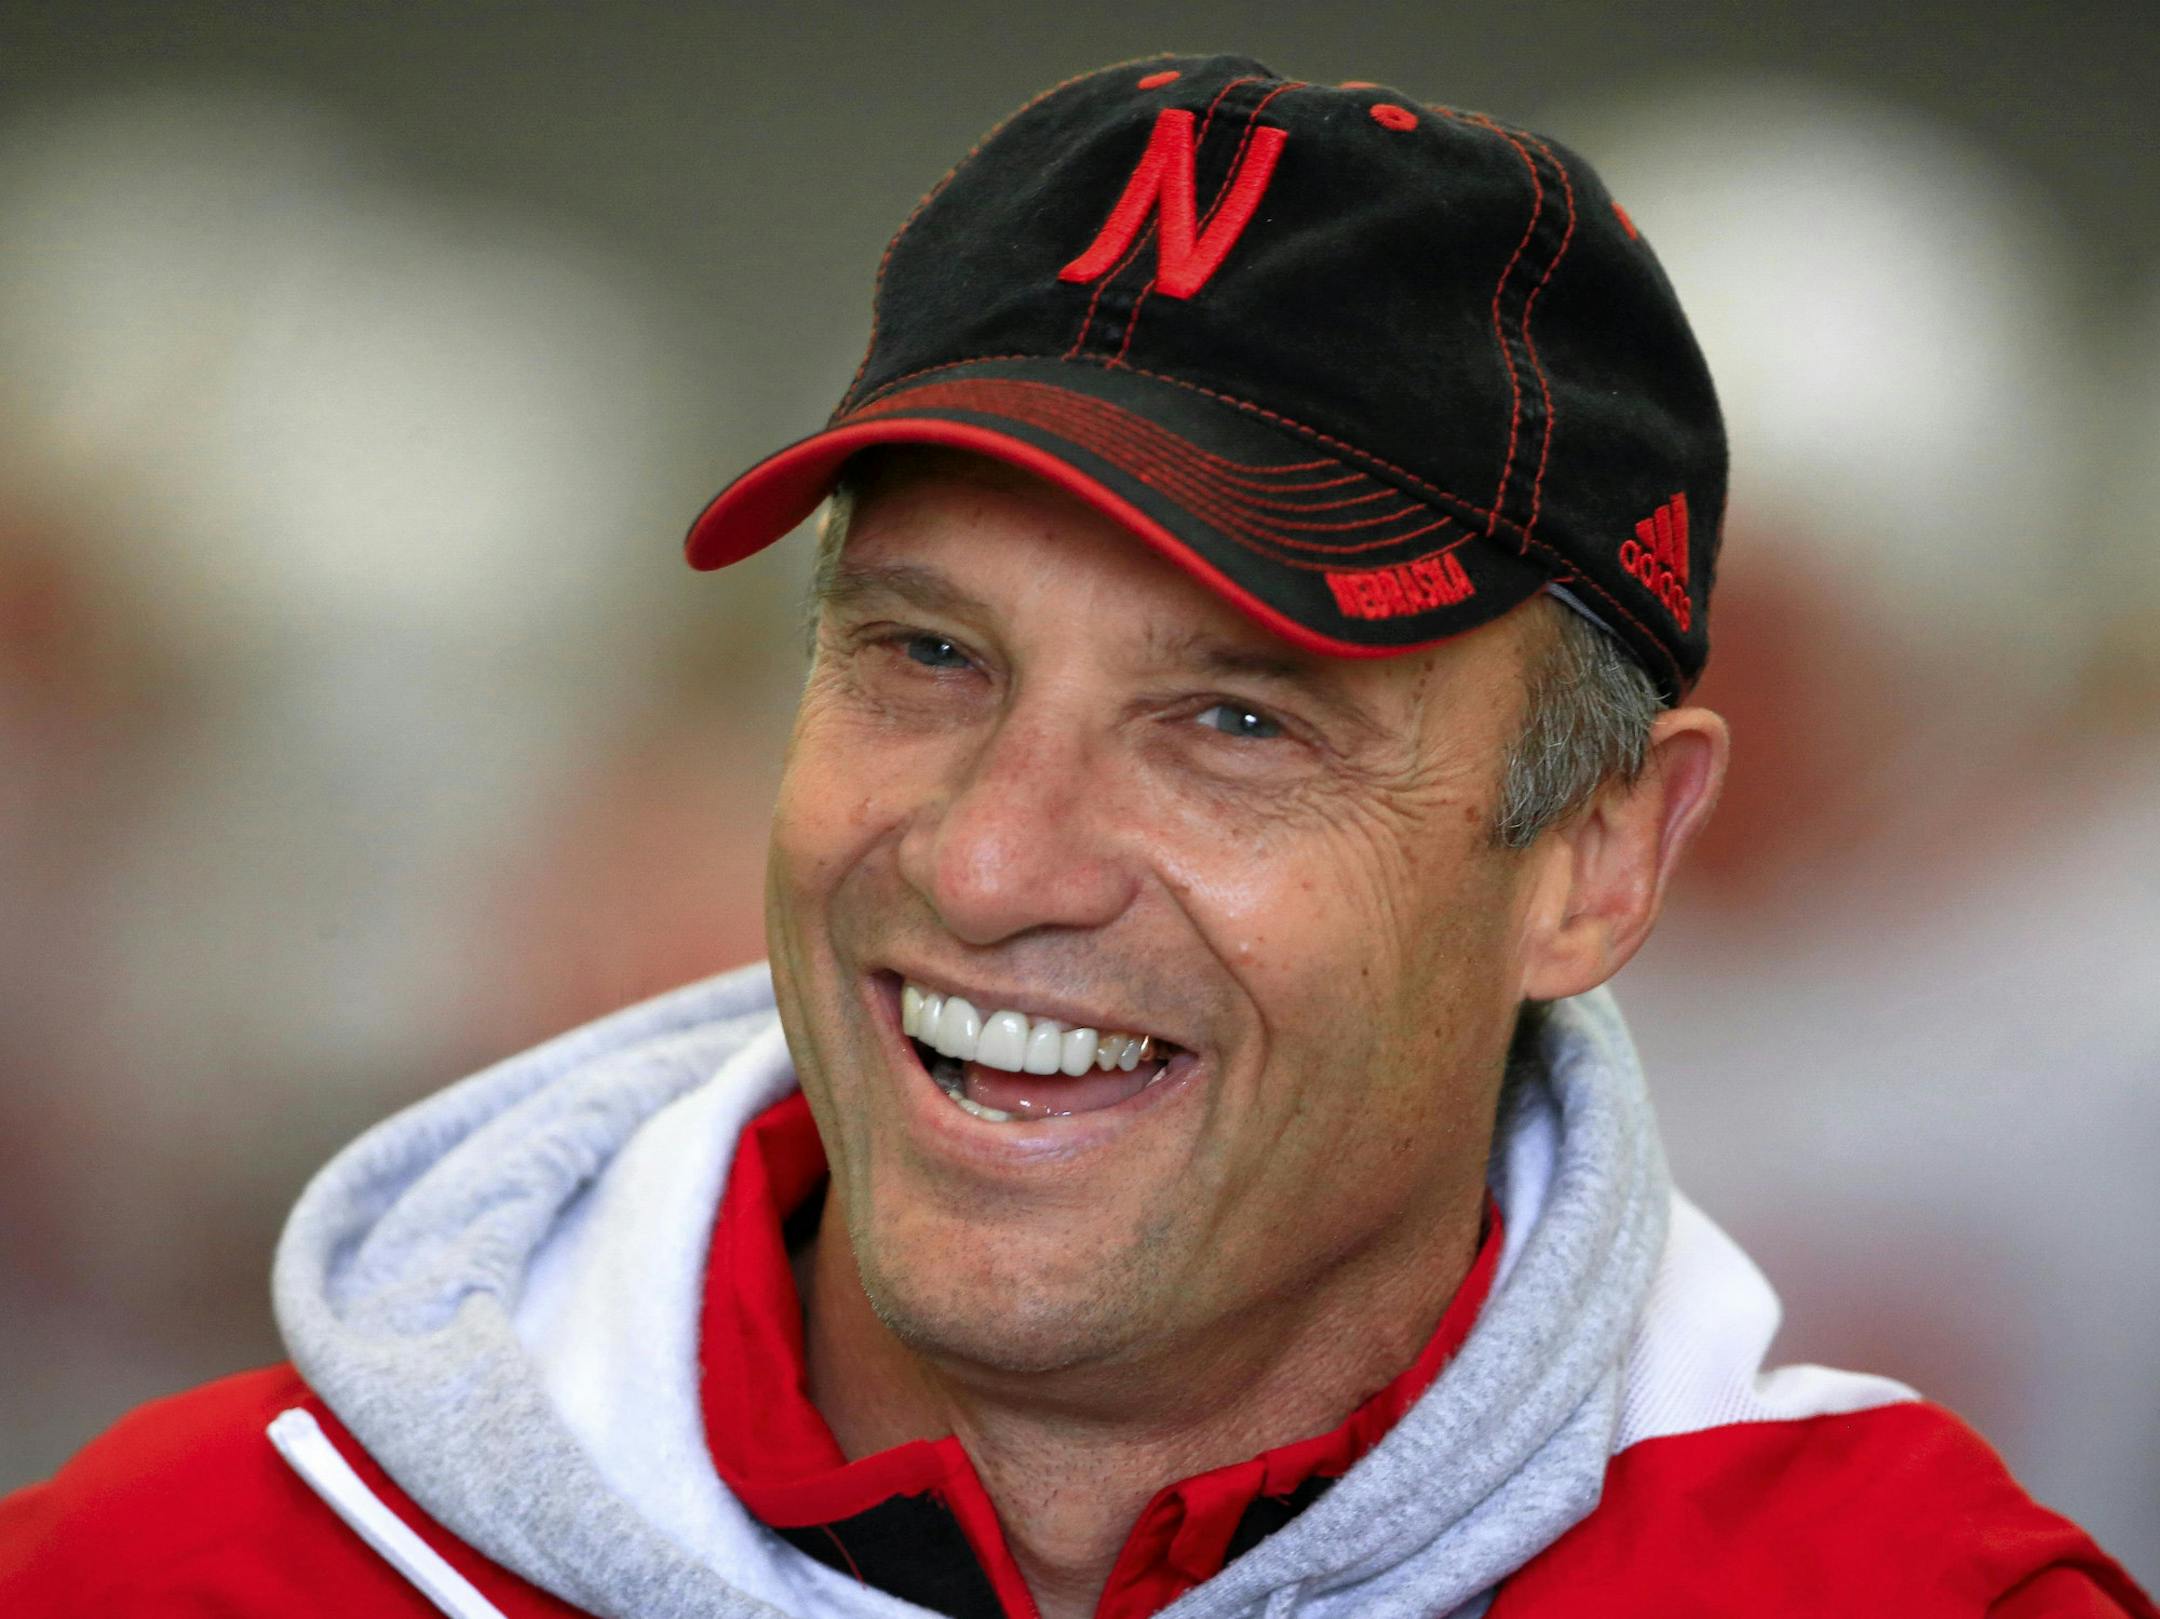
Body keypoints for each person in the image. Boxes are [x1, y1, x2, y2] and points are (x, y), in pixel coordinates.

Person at [2, 52, 2150, 1619]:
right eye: (926, 656)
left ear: (1600, 856)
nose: (996, 862)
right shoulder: (164, 1579)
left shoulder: (1905, 1598)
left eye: (1232, 718)